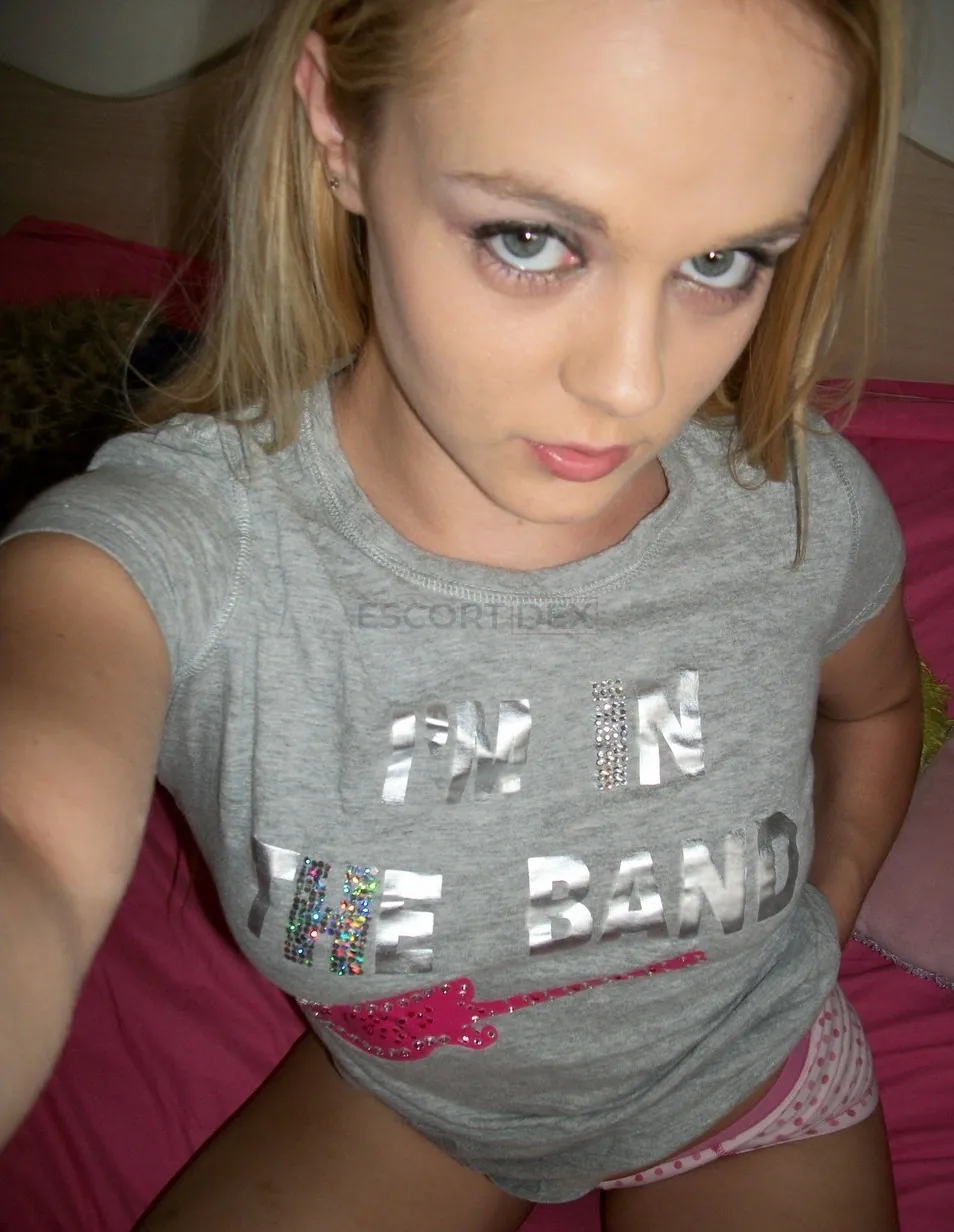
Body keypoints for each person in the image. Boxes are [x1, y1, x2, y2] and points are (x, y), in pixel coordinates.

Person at [0, 1, 923, 1229]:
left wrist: (822, 919)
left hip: (748, 1076)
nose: (630, 382)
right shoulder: (190, 554)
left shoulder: (799, 510)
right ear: (339, 126)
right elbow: (31, 837)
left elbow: (878, 708)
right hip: (414, 1095)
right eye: (530, 238)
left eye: (722, 261)